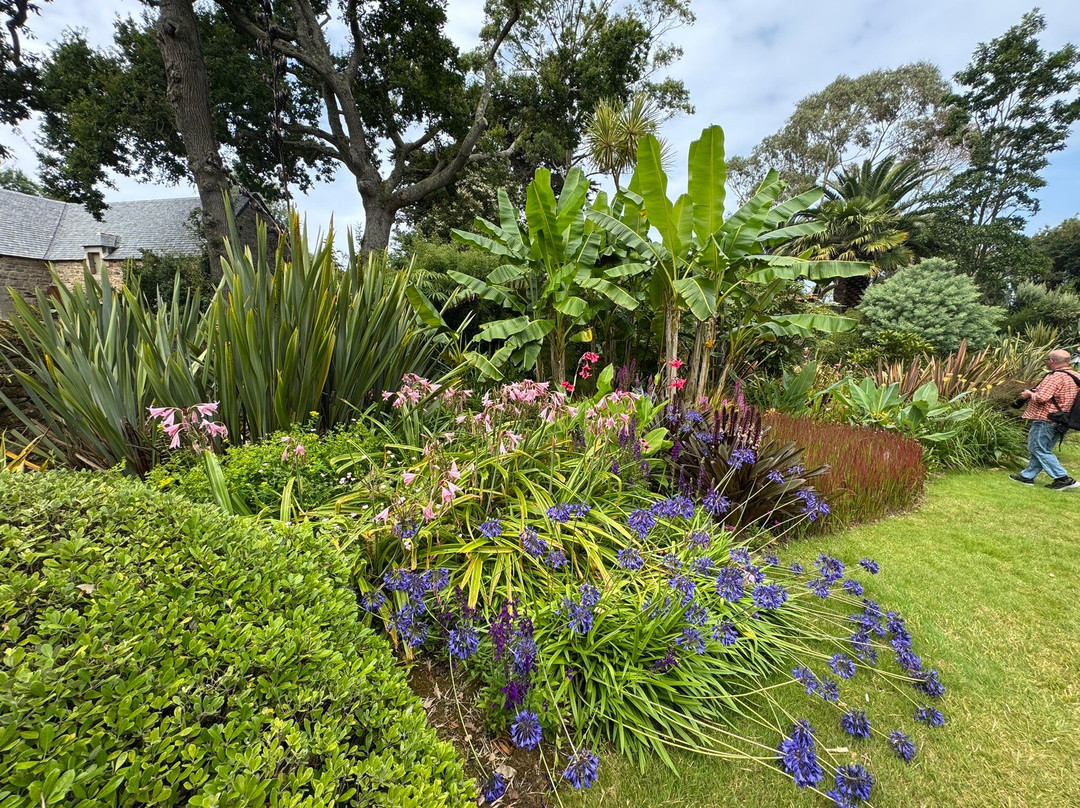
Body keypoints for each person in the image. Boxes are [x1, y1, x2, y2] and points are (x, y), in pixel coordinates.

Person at [1010, 349, 1080, 490]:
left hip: (1046, 418)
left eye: (1047, 360)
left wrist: (1028, 394)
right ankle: (1027, 476)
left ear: (1052, 361)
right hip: (1063, 419)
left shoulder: (1055, 377)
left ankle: (1063, 479)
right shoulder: (1076, 376)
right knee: (1042, 449)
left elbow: (1042, 398)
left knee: (1037, 448)